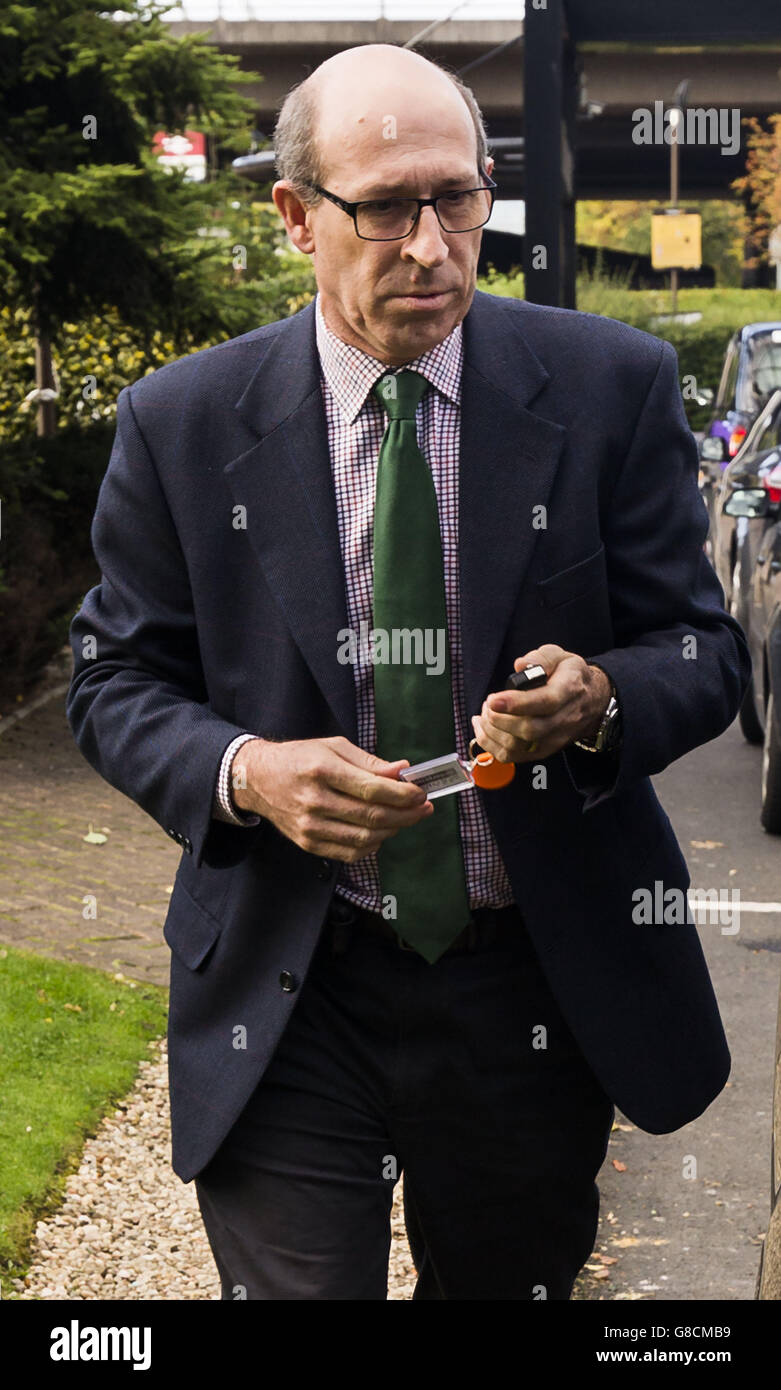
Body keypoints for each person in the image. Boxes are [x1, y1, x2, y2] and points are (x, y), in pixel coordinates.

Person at [66, 43, 750, 1300]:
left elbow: (703, 649)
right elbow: (113, 678)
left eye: (457, 197)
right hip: (291, 973)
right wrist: (248, 771)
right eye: (383, 208)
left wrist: (599, 700)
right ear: (293, 214)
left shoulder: (609, 386)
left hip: (525, 976)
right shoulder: (184, 421)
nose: (430, 245)